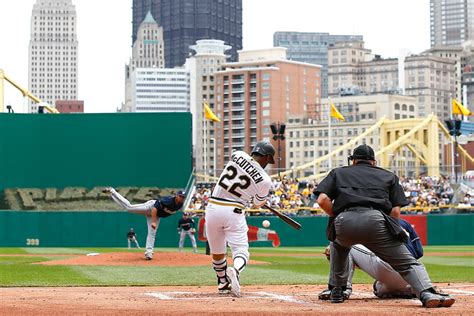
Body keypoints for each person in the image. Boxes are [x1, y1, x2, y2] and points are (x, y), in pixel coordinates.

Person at [315, 144, 455, 308]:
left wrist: (336, 215)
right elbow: (395, 211)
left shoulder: (338, 172)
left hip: (344, 220)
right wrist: (389, 229)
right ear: (373, 162)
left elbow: (322, 200)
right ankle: (426, 292)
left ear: (353, 161)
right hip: (376, 220)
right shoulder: (388, 175)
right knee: (407, 263)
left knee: (338, 246)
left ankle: (337, 289)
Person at [205, 140, 275, 297]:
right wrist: (261, 200)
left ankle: (222, 282)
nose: (267, 164)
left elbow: (240, 163)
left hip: (213, 208)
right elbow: (257, 204)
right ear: (266, 157)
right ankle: (235, 271)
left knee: (217, 252)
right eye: (268, 160)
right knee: (241, 251)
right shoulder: (265, 179)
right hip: (234, 211)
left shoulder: (238, 155)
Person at [319, 218, 425, 300]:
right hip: (412, 273)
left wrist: (336, 253)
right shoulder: (404, 223)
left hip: (387, 269)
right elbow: (419, 252)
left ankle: (343, 288)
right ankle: (410, 289)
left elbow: (348, 248)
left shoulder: (371, 222)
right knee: (379, 288)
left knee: (344, 243)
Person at [104, 187, 186, 260]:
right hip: (151, 207)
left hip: (157, 215)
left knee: (152, 232)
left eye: (183, 197)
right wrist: (154, 222)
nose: (182, 198)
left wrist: (155, 220)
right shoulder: (168, 201)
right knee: (129, 208)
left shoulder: (180, 204)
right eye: (180, 196)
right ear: (176, 195)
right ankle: (113, 191)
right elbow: (155, 208)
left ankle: (149, 253)